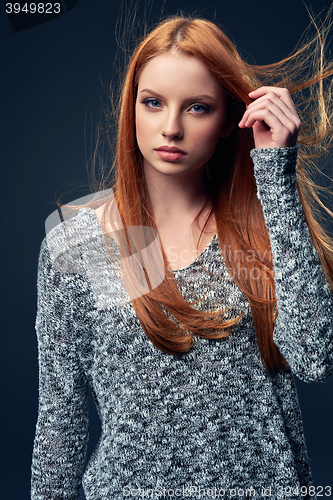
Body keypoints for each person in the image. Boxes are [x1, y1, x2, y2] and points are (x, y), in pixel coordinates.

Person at [31, 15, 333, 500]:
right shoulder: (78, 243)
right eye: (153, 103)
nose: (170, 128)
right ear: (132, 108)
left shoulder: (263, 226)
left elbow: (315, 358)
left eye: (197, 107)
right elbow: (60, 417)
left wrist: (275, 176)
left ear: (228, 118)